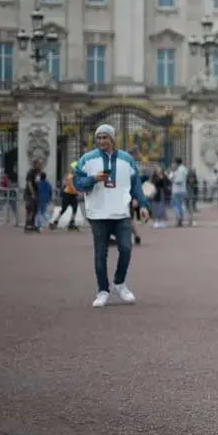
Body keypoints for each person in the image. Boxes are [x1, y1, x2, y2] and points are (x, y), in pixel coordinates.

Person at [73, 124, 150, 309]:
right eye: (98, 138)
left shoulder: (127, 160)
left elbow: (136, 185)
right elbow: (78, 183)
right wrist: (93, 179)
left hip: (121, 212)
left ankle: (119, 282)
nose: (101, 141)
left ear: (112, 139)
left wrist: (143, 205)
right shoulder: (87, 159)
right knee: (101, 254)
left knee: (126, 248)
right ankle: (103, 290)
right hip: (98, 213)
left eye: (105, 138)